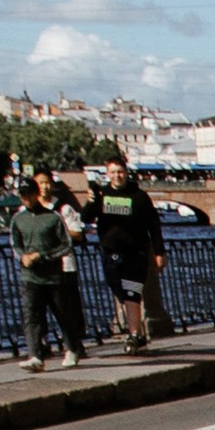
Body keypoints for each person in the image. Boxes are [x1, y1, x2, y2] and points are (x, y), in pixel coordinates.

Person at [80, 148, 165, 352]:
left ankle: (134, 334)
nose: (117, 176)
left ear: (126, 173)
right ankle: (136, 330)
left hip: (136, 252)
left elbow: (153, 225)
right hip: (111, 253)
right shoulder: (102, 195)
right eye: (113, 172)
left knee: (131, 291)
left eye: (121, 172)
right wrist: (91, 201)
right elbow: (86, 218)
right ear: (107, 174)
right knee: (119, 289)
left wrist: (159, 253)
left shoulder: (139, 197)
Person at [11, 170, 83, 372]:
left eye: (28, 194)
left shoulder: (53, 217)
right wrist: (22, 256)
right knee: (31, 316)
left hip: (54, 277)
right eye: (22, 195)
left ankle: (71, 348)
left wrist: (41, 256)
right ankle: (35, 355)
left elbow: (66, 245)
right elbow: (15, 245)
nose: (26, 198)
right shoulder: (18, 219)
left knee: (62, 314)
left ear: (36, 194)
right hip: (30, 277)